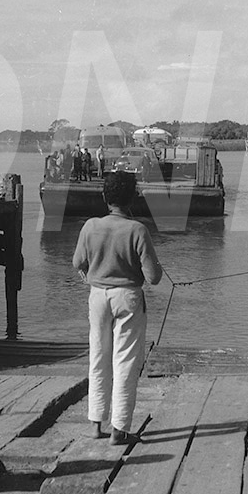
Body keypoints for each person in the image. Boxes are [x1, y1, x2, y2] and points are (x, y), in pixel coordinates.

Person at [72, 171, 162, 445]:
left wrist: (90, 273)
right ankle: (119, 430)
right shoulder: (137, 230)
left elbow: (77, 262)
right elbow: (153, 277)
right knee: (125, 362)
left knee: (98, 357)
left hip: (98, 296)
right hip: (128, 297)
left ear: (104, 197)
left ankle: (95, 425)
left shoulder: (90, 226)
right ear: (133, 197)